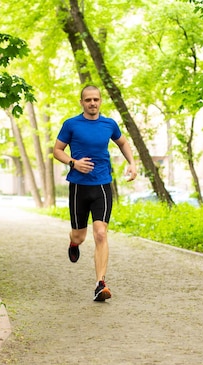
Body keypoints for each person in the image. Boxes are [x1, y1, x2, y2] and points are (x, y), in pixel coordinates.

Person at [53, 85, 137, 302]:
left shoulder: (109, 124)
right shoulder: (71, 124)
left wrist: (132, 162)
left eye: (96, 99)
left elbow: (123, 142)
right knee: (80, 236)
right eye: (88, 99)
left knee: (100, 233)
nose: (92, 103)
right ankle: (73, 243)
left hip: (102, 186)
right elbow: (57, 151)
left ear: (100, 101)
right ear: (81, 102)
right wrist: (74, 162)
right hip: (79, 187)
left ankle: (100, 283)